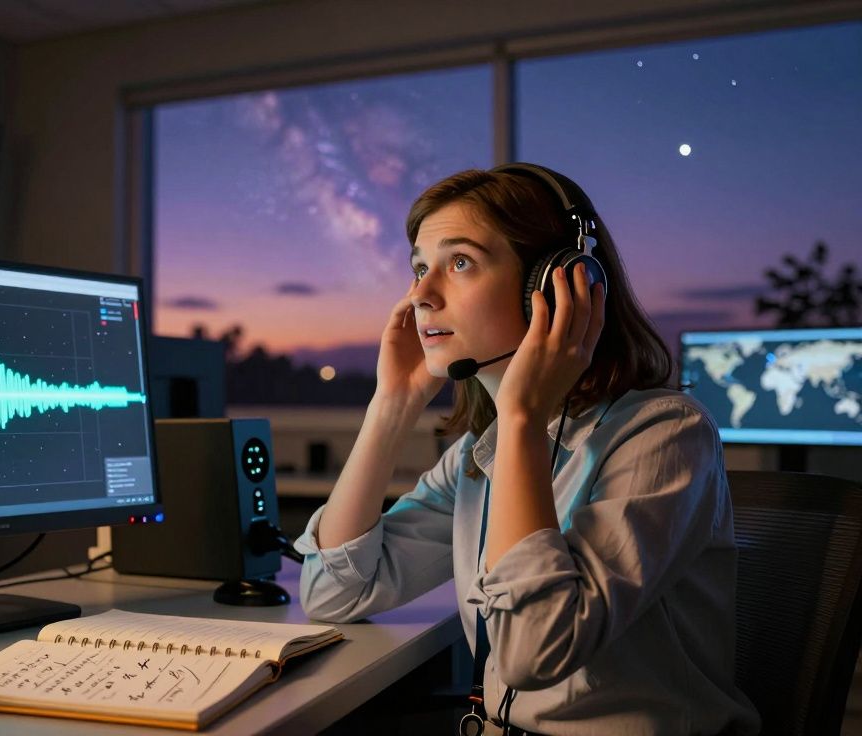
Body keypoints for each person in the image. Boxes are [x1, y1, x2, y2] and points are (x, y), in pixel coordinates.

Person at [293, 164, 761, 735]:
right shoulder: (478, 457)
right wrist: (391, 407)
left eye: (459, 262)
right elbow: (331, 592)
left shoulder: (665, 435)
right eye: (419, 267)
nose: (420, 294)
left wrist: (519, 416)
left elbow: (534, 653)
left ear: (554, 283)